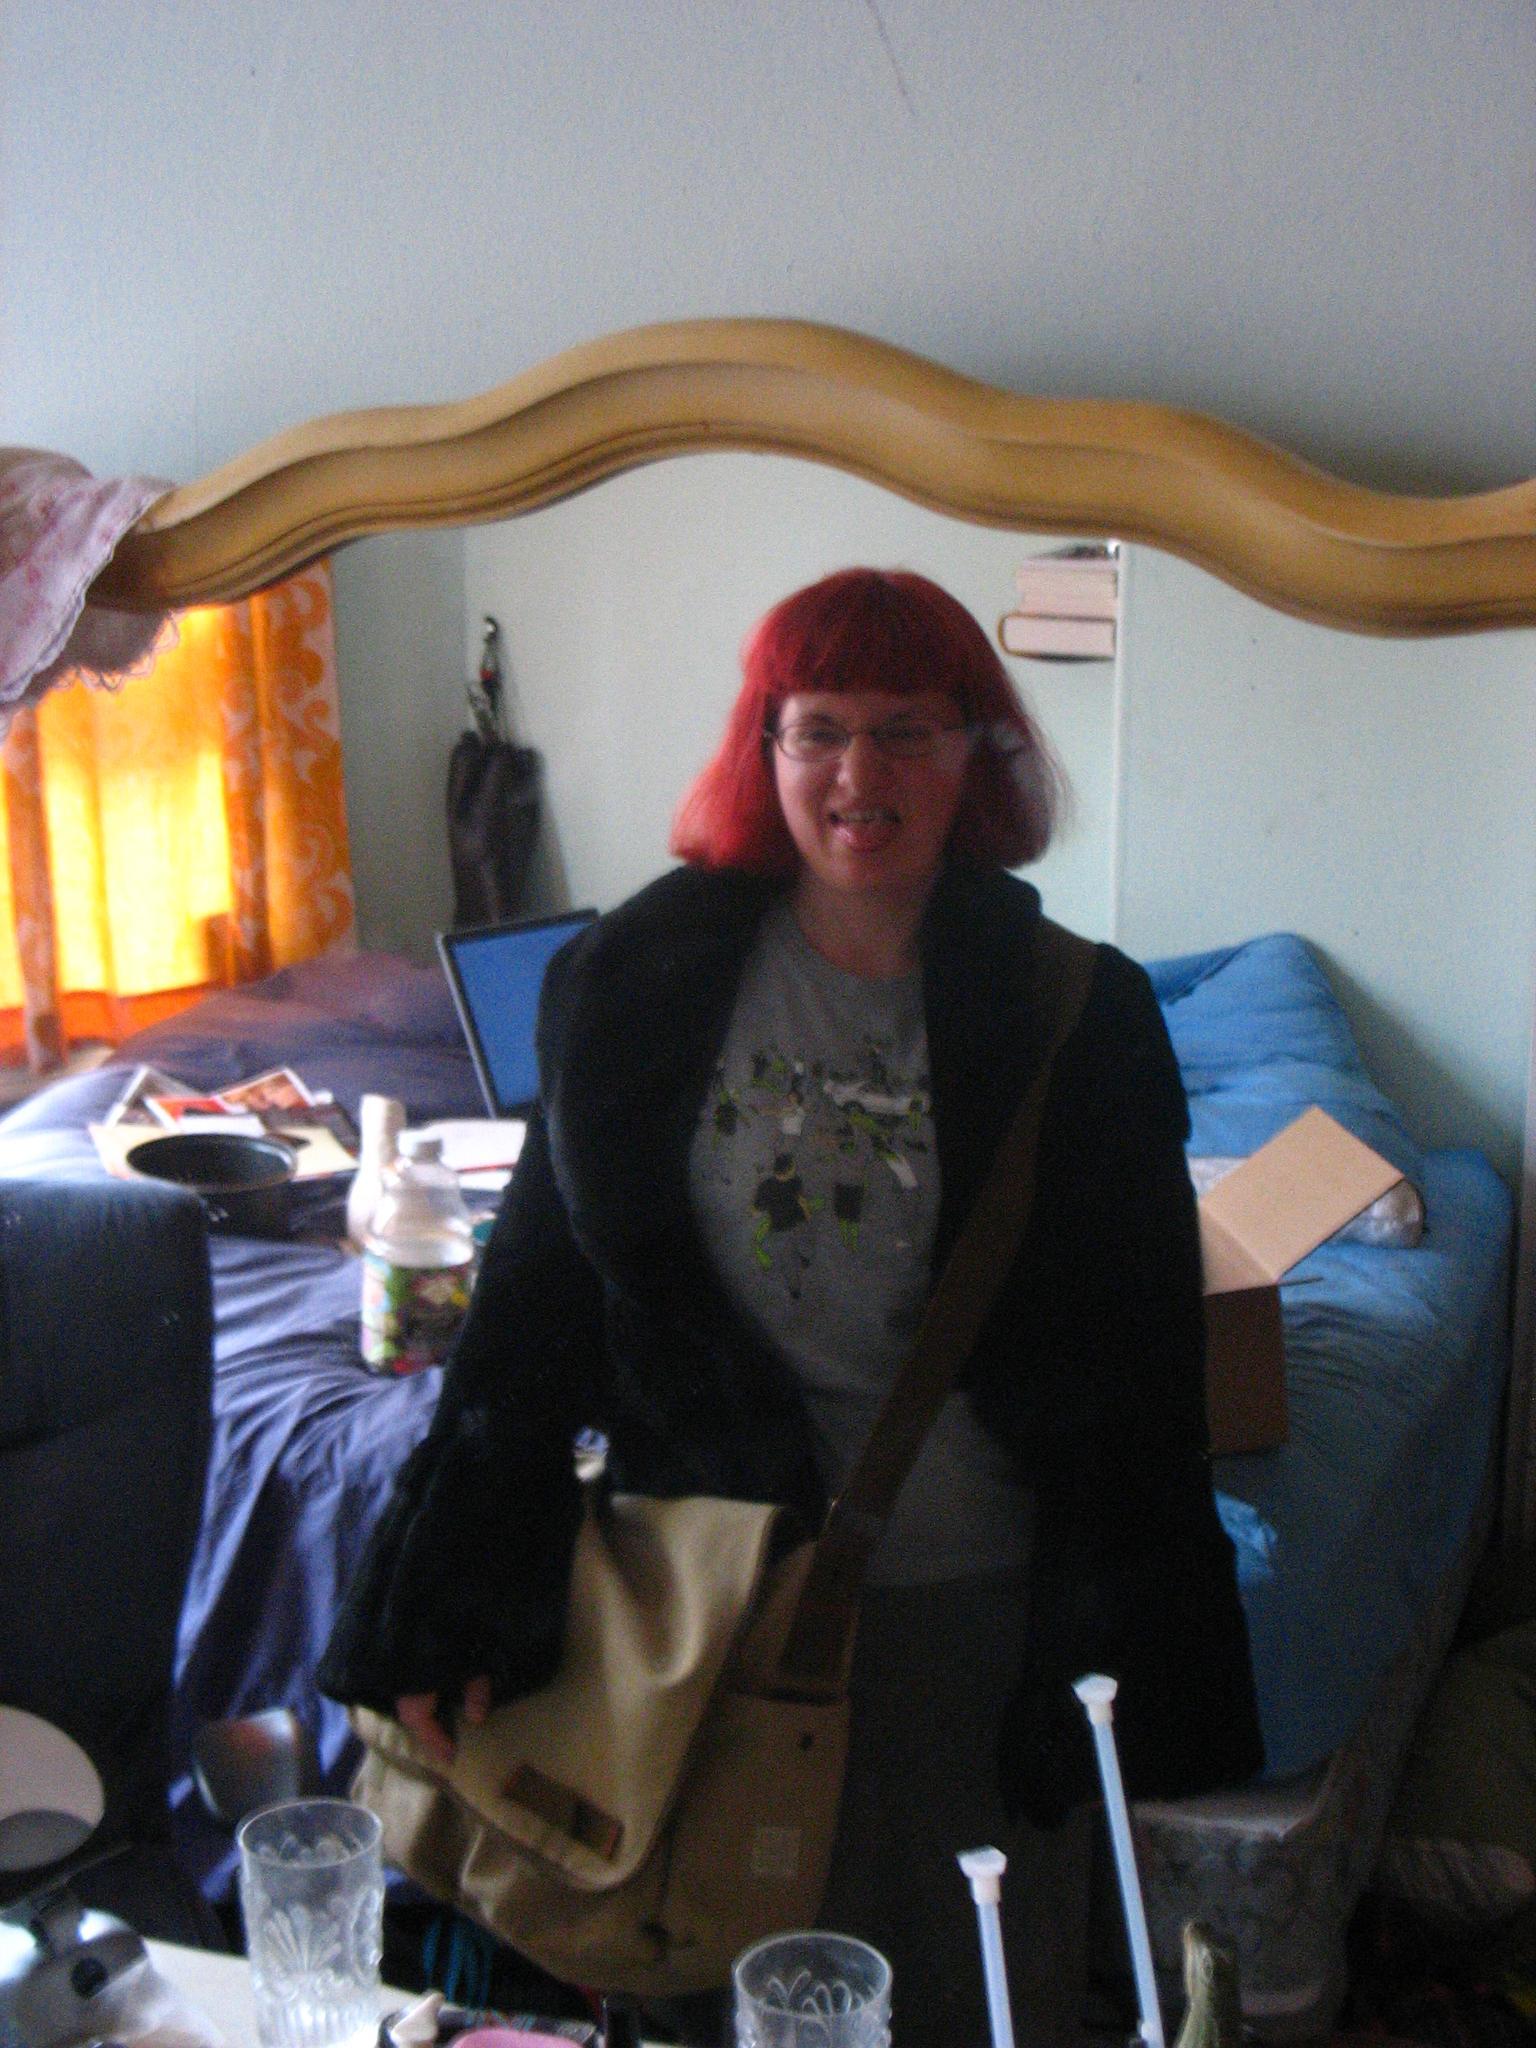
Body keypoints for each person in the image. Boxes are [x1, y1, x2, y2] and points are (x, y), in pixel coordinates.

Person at [319, 568, 1263, 2045]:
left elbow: (1142, 1383)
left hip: (965, 1620)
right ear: (764, 750)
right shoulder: (637, 980)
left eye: (909, 731)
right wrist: (448, 1590)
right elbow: (537, 1309)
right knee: (703, 1984)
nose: (859, 776)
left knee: (966, 1999)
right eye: (818, 729)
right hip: (705, 1605)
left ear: (977, 757)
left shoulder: (1082, 1013)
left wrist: (1131, 1654)